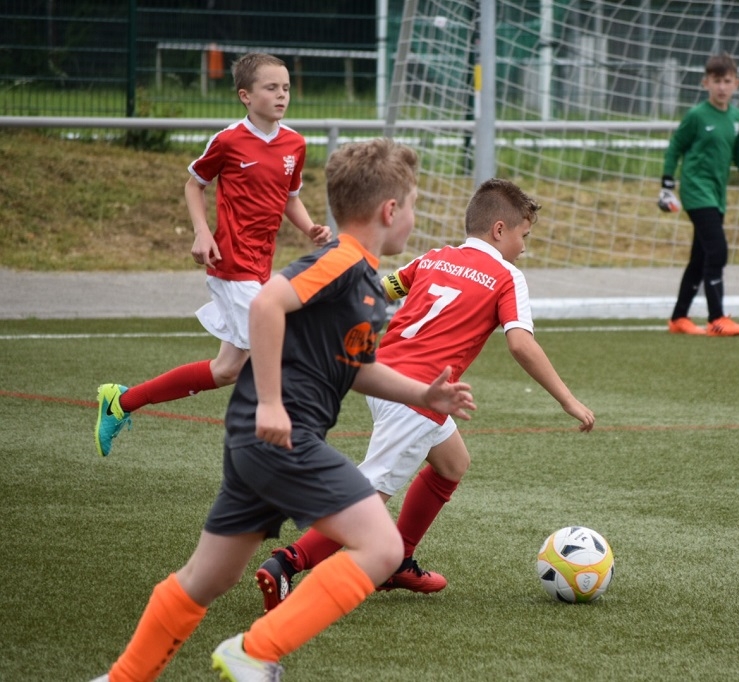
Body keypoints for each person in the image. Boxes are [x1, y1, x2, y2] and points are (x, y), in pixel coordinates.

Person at [88, 138, 476, 682]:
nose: (413, 217)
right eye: (412, 205)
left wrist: (422, 396)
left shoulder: (365, 281)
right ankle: (255, 651)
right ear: (391, 211)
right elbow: (268, 301)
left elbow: (354, 366)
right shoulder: (342, 261)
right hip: (282, 434)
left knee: (207, 578)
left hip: (257, 439)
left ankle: (122, 679)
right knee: (382, 546)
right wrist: (271, 402)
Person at [254, 178, 595, 611]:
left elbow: (380, 290)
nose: (524, 248)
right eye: (523, 236)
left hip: (383, 376)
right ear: (499, 230)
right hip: (419, 395)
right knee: (372, 492)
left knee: (453, 463)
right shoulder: (508, 276)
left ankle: (398, 561)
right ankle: (287, 562)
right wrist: (567, 400)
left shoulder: (434, 257)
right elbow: (520, 344)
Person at [94, 52, 332, 458]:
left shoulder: (295, 143)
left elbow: (290, 198)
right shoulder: (228, 140)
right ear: (245, 95)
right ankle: (292, 447)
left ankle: (121, 400)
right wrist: (202, 232)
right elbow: (194, 184)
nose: (281, 95)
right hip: (232, 264)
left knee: (227, 370)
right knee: (280, 347)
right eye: (271, 88)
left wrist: (310, 228)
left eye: (286, 88)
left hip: (260, 267)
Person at [658, 52, 739, 337]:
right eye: (716, 81)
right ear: (705, 83)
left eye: (727, 81)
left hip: (717, 195)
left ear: (736, 83)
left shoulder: (737, 118)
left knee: (700, 258)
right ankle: (717, 318)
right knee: (717, 251)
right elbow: (675, 147)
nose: (722, 87)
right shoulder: (697, 116)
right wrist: (667, 186)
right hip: (697, 191)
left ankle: (679, 318)